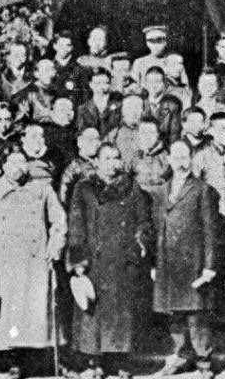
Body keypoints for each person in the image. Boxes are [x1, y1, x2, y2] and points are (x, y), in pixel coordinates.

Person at [0, 151, 66, 377]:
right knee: (7, 317)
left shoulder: (42, 189)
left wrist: (55, 245)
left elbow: (59, 220)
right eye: (13, 162)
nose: (19, 167)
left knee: (31, 316)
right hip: (3, 265)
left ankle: (31, 362)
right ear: (3, 165)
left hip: (34, 263)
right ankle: (10, 362)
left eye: (23, 162)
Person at [67, 143, 154, 378]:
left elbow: (143, 220)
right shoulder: (84, 188)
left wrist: (140, 244)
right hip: (94, 261)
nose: (112, 164)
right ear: (96, 162)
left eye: (116, 158)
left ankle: (122, 361)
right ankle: (93, 362)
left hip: (123, 261)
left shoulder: (131, 187)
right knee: (93, 315)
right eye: (106, 158)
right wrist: (78, 262)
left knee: (122, 316)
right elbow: (76, 225)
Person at [151, 141, 221, 376]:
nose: (181, 161)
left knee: (197, 316)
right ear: (169, 160)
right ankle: (181, 355)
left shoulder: (203, 190)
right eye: (176, 157)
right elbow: (157, 229)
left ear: (191, 159)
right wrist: (155, 263)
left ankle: (204, 362)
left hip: (193, 263)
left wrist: (209, 267)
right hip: (168, 264)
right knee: (174, 314)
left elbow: (210, 231)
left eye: (185, 156)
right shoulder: (162, 190)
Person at [127, 116, 171, 194]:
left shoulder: (166, 157)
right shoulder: (134, 157)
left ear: (158, 134)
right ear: (138, 134)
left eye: (151, 132)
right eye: (143, 132)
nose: (147, 137)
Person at [58, 127, 101, 206]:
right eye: (91, 140)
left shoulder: (103, 163)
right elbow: (63, 197)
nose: (96, 144)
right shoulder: (73, 168)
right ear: (80, 143)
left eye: (98, 139)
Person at [141, 66, 183, 143]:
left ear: (164, 83)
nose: (153, 86)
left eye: (157, 82)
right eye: (150, 82)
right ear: (145, 83)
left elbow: (174, 135)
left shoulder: (173, 105)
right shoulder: (140, 103)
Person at [76, 68, 123, 135]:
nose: (101, 86)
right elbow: (81, 133)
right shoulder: (82, 109)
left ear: (109, 84)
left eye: (105, 83)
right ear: (91, 84)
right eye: (97, 83)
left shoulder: (119, 106)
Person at [12, 57, 57, 124]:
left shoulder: (54, 93)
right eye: (46, 70)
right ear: (36, 74)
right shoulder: (26, 94)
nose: (51, 74)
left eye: (53, 70)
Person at [51, 30, 90, 105]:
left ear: (72, 47)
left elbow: (84, 97)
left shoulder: (79, 70)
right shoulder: (48, 67)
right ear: (55, 46)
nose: (64, 48)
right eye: (61, 45)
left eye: (68, 45)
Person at [106, 94, 144, 161]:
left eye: (138, 108)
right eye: (130, 108)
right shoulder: (113, 135)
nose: (134, 112)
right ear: (123, 111)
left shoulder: (148, 133)